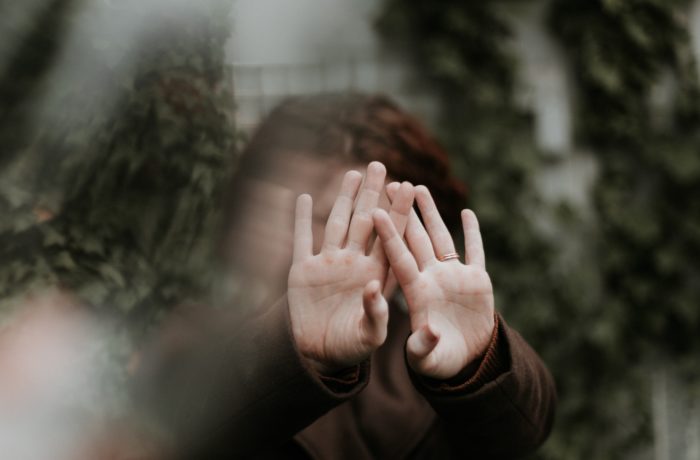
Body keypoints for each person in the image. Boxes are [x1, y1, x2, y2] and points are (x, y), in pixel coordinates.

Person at [133, 94, 557, 459]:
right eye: (320, 216)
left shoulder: (431, 352)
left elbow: (521, 434)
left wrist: (479, 364)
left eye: (373, 225)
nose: (341, 248)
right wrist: (299, 349)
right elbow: (184, 425)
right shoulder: (198, 334)